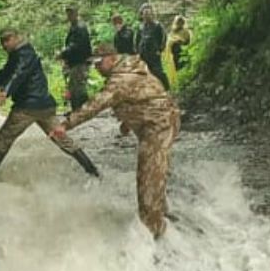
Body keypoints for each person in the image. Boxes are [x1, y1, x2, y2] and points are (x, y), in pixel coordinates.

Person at [52, 44, 180, 238]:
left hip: (158, 127)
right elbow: (144, 95)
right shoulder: (130, 68)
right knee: (155, 173)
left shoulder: (121, 78)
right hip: (158, 122)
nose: (96, 68)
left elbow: (98, 103)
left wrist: (66, 125)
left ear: (111, 58)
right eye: (92, 64)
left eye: (98, 63)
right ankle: (163, 216)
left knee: (147, 180)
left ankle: (153, 233)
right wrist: (128, 122)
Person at [0, 28, 100, 183]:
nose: (4, 44)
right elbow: (2, 75)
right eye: (2, 41)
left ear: (17, 37)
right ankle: (93, 171)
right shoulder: (19, 54)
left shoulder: (24, 54)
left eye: (7, 40)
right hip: (44, 105)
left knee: (4, 137)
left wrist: (6, 91)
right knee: (62, 139)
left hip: (27, 107)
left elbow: (19, 73)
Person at [56, 6, 92, 112]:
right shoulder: (74, 27)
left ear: (76, 14)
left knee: (78, 87)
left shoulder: (80, 28)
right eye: (68, 14)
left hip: (80, 62)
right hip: (74, 62)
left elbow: (76, 46)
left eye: (71, 14)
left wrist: (63, 53)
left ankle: (82, 110)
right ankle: (77, 109)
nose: (69, 16)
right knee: (73, 86)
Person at [137, 3, 170, 90]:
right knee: (145, 73)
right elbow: (137, 40)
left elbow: (163, 38)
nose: (146, 15)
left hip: (154, 54)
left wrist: (160, 50)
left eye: (148, 13)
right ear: (142, 14)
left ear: (152, 14)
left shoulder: (157, 26)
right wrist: (138, 51)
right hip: (143, 54)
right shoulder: (141, 27)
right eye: (145, 13)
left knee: (158, 72)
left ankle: (167, 88)